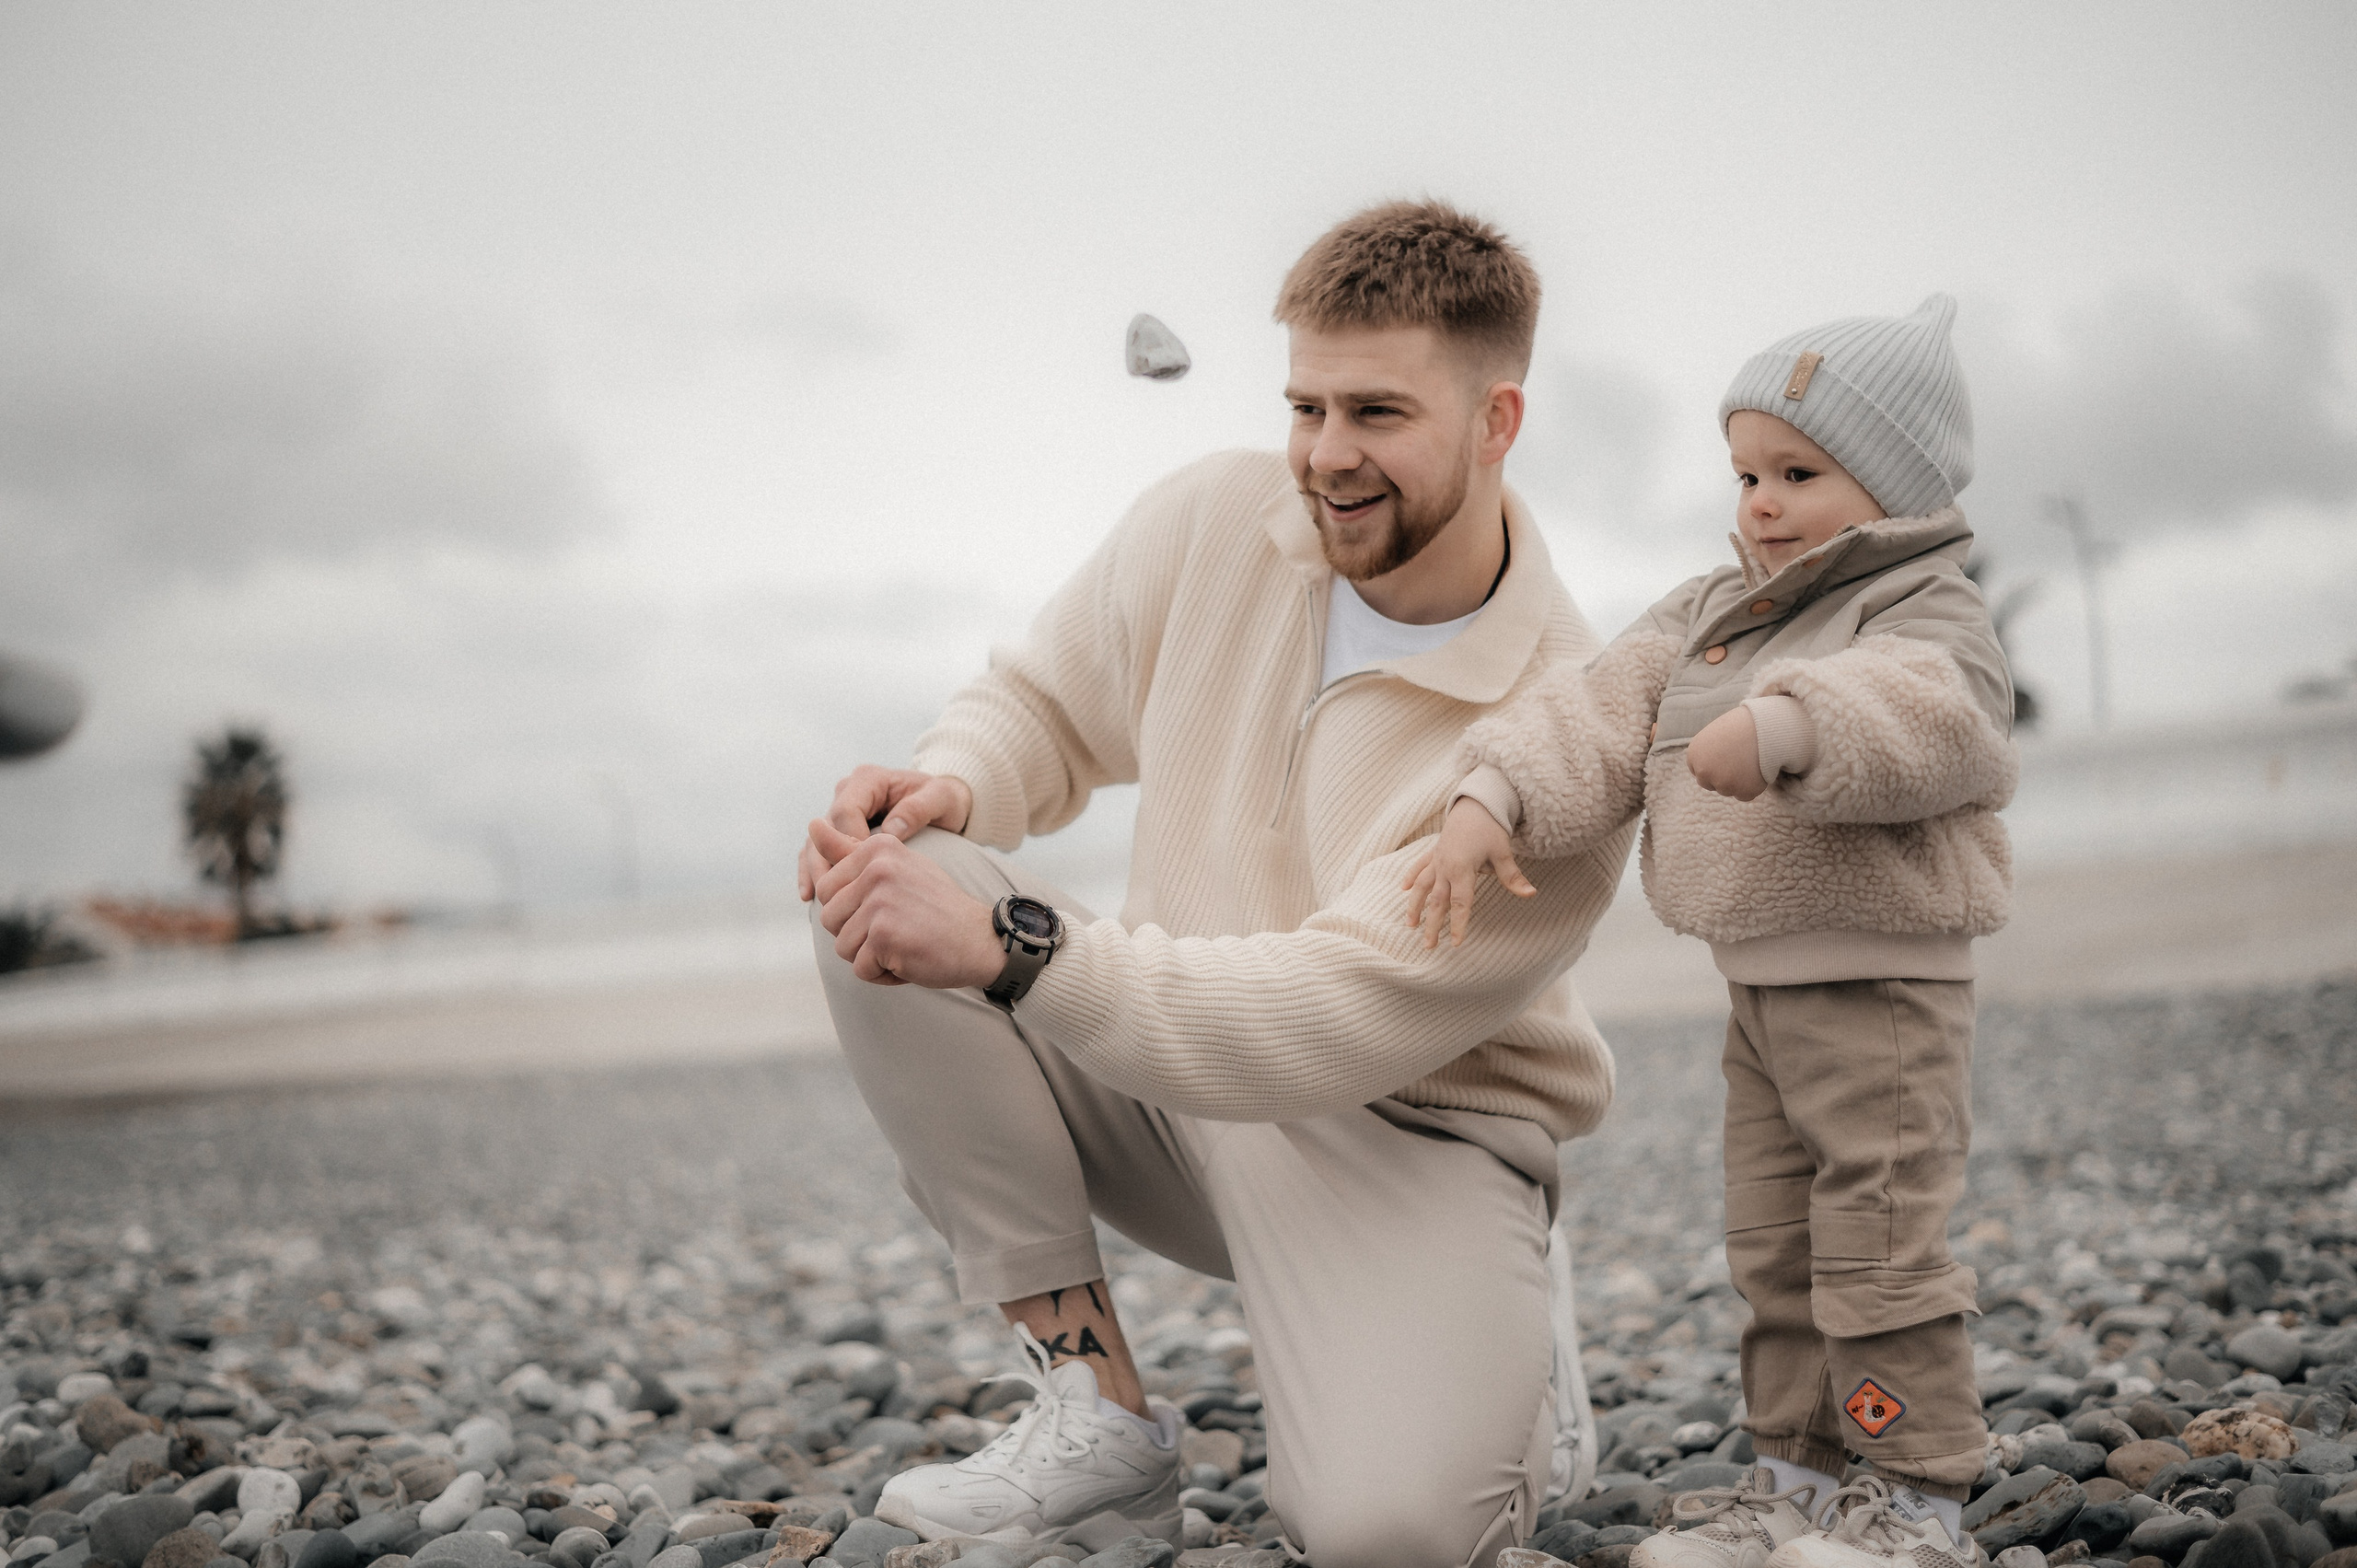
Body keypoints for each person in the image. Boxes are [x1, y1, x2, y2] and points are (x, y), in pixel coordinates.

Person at [799, 200, 1635, 1568]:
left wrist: (1014, 944)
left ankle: (1505, 1327)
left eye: (1377, 413)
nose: (1325, 456)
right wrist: (951, 782)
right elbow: (1045, 706)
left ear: (1498, 424)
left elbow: (1329, 1006)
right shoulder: (1215, 523)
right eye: (1305, 405)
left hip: (1407, 1138)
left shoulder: (1559, 734)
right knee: (887, 883)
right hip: (1174, 1086)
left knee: (1388, 1538)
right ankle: (1095, 1413)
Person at [1408, 296, 2013, 1568]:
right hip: (1760, 990)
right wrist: (1490, 797)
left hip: (1881, 984)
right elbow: (1596, 711)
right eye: (1746, 474)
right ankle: (1796, 1478)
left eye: (1799, 474)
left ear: (1894, 487)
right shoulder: (1710, 613)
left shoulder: (1921, 605)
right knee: (1775, 1246)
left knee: (1878, 1243)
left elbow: (1939, 720)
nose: (1761, 503)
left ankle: (1912, 1498)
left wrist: (1795, 724)